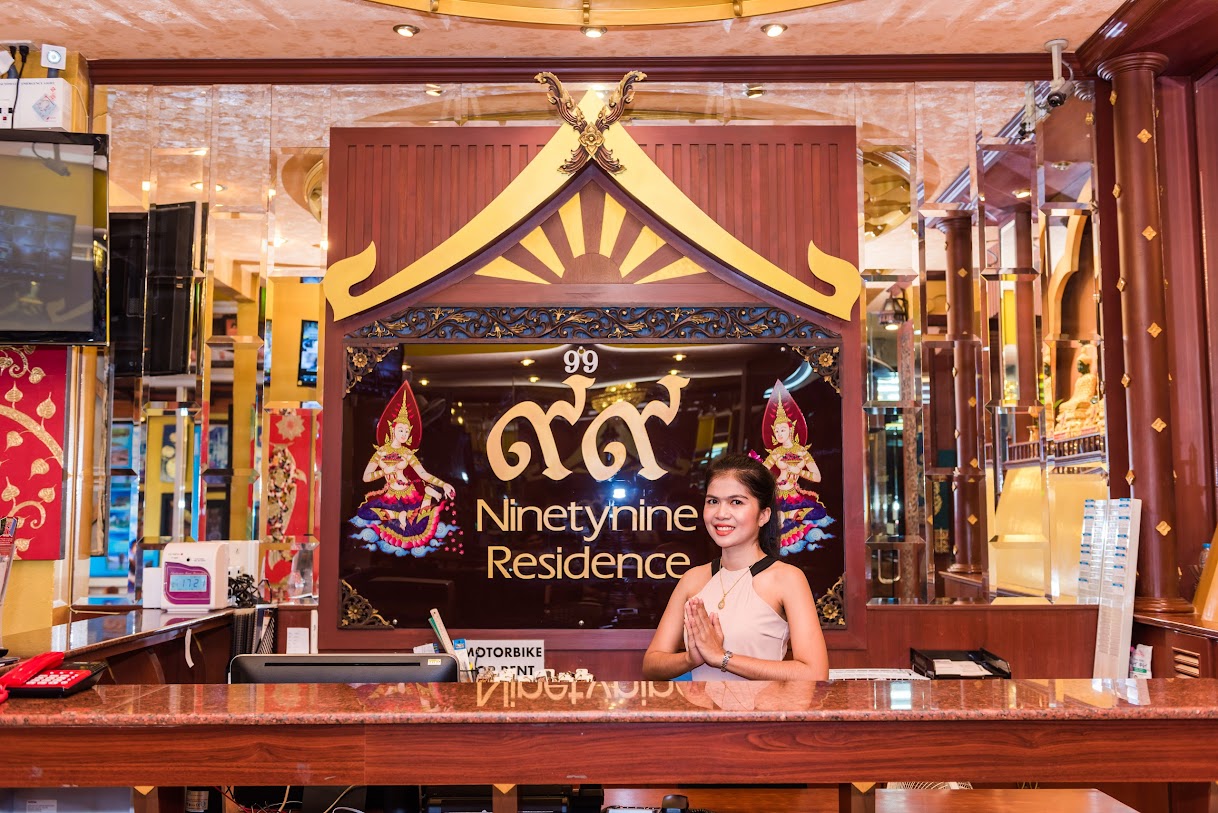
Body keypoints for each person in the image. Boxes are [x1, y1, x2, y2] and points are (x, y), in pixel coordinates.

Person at [642, 453, 829, 681]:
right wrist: (692, 659)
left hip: (764, 705)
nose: (721, 514)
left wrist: (721, 657)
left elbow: (814, 672)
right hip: (701, 706)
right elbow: (652, 664)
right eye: (713, 501)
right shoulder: (692, 579)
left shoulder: (787, 578)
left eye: (736, 502)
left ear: (763, 515)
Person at [349, 380, 458, 557]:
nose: (404, 435)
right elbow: (366, 477)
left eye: (407, 431)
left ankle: (426, 496)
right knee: (366, 512)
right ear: (392, 429)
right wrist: (384, 472)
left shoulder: (408, 453)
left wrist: (443, 484)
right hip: (389, 495)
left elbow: (423, 473)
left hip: (407, 493)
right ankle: (398, 515)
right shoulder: (381, 452)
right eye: (401, 430)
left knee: (415, 529)